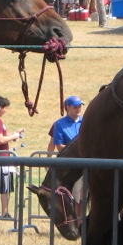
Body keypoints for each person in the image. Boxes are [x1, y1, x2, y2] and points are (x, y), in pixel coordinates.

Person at [48, 95, 85, 224]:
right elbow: (59, 147)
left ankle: (81, 223)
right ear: (68, 107)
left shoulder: (86, 121)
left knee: (84, 197)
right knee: (75, 197)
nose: (78, 108)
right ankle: (75, 223)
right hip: (72, 167)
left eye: (80, 105)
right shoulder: (60, 124)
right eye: (75, 106)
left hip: (87, 164)